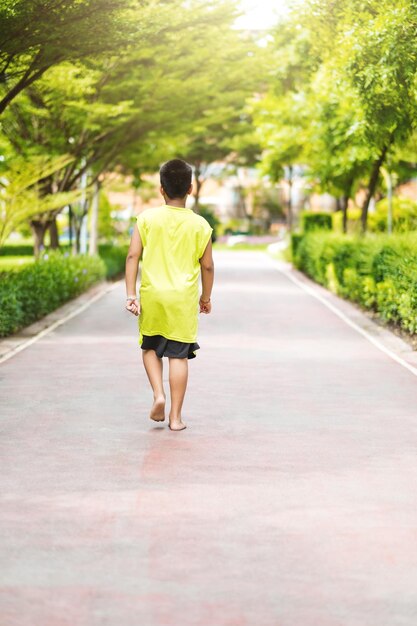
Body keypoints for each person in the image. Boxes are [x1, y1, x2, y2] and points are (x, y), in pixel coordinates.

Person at [125, 159, 214, 431]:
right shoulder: (201, 225)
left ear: (161, 189)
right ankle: (175, 418)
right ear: (190, 188)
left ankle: (158, 394)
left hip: (153, 295)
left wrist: (130, 293)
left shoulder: (147, 219)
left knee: (150, 347)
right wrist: (205, 298)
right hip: (183, 299)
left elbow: (132, 256)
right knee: (178, 355)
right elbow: (207, 265)